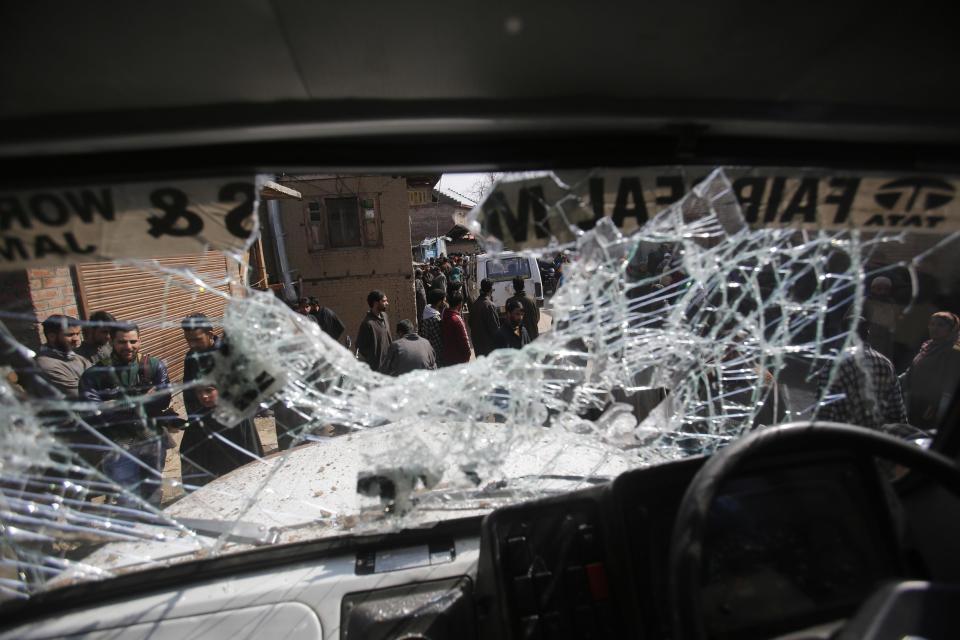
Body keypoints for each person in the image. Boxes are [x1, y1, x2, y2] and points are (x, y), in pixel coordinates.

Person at [79, 323, 178, 505]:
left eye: (133, 341)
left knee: (153, 491)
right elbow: (92, 413)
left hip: (151, 441)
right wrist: (139, 401)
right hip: (119, 446)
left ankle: (153, 527)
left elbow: (163, 399)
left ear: (140, 341)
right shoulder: (95, 375)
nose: (128, 347)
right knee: (127, 498)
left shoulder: (153, 366)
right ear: (112, 342)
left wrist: (114, 404)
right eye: (122, 342)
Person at [816, 317, 906, 430]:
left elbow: (824, 408)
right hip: (873, 438)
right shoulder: (886, 364)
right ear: (867, 334)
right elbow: (897, 409)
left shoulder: (836, 362)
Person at [179, 384, 263, 488]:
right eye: (199, 392)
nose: (204, 396)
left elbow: (251, 447)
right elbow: (189, 456)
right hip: (212, 484)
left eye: (209, 391)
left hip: (240, 477)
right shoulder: (197, 421)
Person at [901, 311, 960, 429]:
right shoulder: (927, 345)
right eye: (932, 324)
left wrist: (939, 406)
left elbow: (951, 380)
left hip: (931, 405)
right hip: (914, 400)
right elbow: (913, 369)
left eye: (940, 325)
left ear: (952, 329)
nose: (934, 328)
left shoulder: (954, 350)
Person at [34, 315, 89, 397]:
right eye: (70, 335)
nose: (76, 339)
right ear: (52, 337)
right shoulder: (46, 365)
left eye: (77, 334)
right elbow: (79, 395)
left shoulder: (77, 357)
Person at [181, 313, 222, 421]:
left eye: (197, 340)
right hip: (203, 420)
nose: (192, 345)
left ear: (210, 334)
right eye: (188, 340)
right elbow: (188, 392)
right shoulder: (191, 357)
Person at [355, 290, 392, 372]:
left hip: (388, 366)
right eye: (384, 301)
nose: (387, 303)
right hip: (377, 370)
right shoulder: (367, 324)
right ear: (376, 303)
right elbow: (360, 346)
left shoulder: (385, 316)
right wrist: (374, 359)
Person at [469, 278, 501, 357]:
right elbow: (495, 328)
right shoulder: (490, 305)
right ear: (490, 290)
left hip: (478, 346)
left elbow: (470, 323)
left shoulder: (475, 304)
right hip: (489, 347)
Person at [440, 289, 472, 365]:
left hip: (448, 359)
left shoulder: (444, 315)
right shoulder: (457, 319)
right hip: (459, 360)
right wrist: (468, 355)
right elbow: (465, 340)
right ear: (460, 304)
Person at [506, 276, 540, 341]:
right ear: (524, 286)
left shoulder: (509, 301)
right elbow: (536, 318)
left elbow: (508, 322)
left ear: (513, 287)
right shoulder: (530, 301)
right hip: (531, 337)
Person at [419, 288, 445, 359]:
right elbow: (438, 339)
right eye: (443, 300)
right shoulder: (435, 318)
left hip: (426, 349)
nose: (444, 302)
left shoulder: (426, 310)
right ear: (439, 302)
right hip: (435, 352)